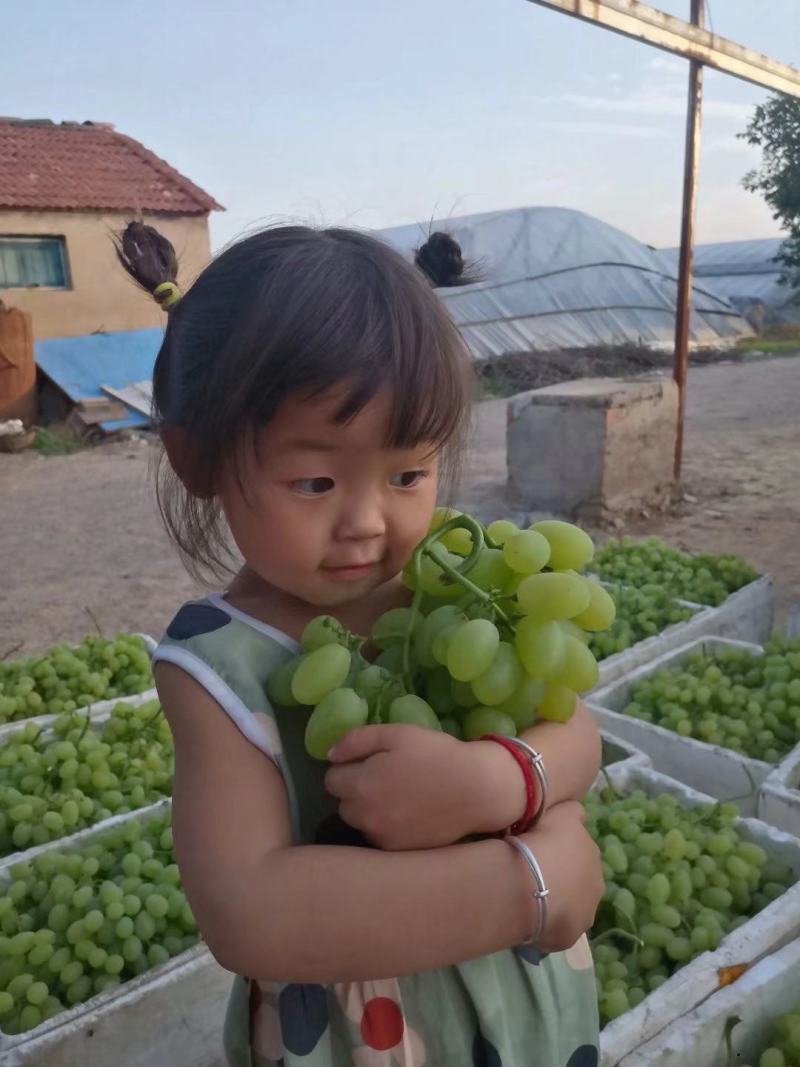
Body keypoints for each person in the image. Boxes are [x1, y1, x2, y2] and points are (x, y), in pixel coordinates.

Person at [117, 220, 605, 1067]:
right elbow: (250, 911)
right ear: (195, 459)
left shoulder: (455, 587)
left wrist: (495, 780)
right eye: (314, 480)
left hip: (524, 1013)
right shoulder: (216, 668)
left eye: (408, 473)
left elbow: (576, 728)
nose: (368, 522)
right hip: (365, 1038)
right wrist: (530, 886)